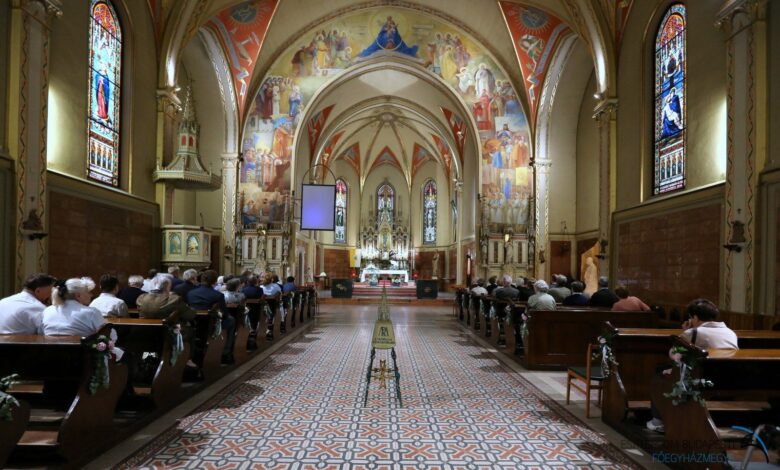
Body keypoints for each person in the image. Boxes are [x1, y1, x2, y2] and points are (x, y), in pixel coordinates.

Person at [647, 299, 738, 433]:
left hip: (698, 377)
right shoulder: (730, 333)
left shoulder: (694, 333)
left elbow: (674, 354)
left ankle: (658, 421)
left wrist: (686, 332)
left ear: (695, 317)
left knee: (659, 377)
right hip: (728, 377)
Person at [187, 270, 236, 364]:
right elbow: (225, 314)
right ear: (215, 281)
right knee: (231, 320)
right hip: (210, 324)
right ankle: (227, 353)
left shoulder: (191, 293)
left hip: (193, 323)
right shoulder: (218, 295)